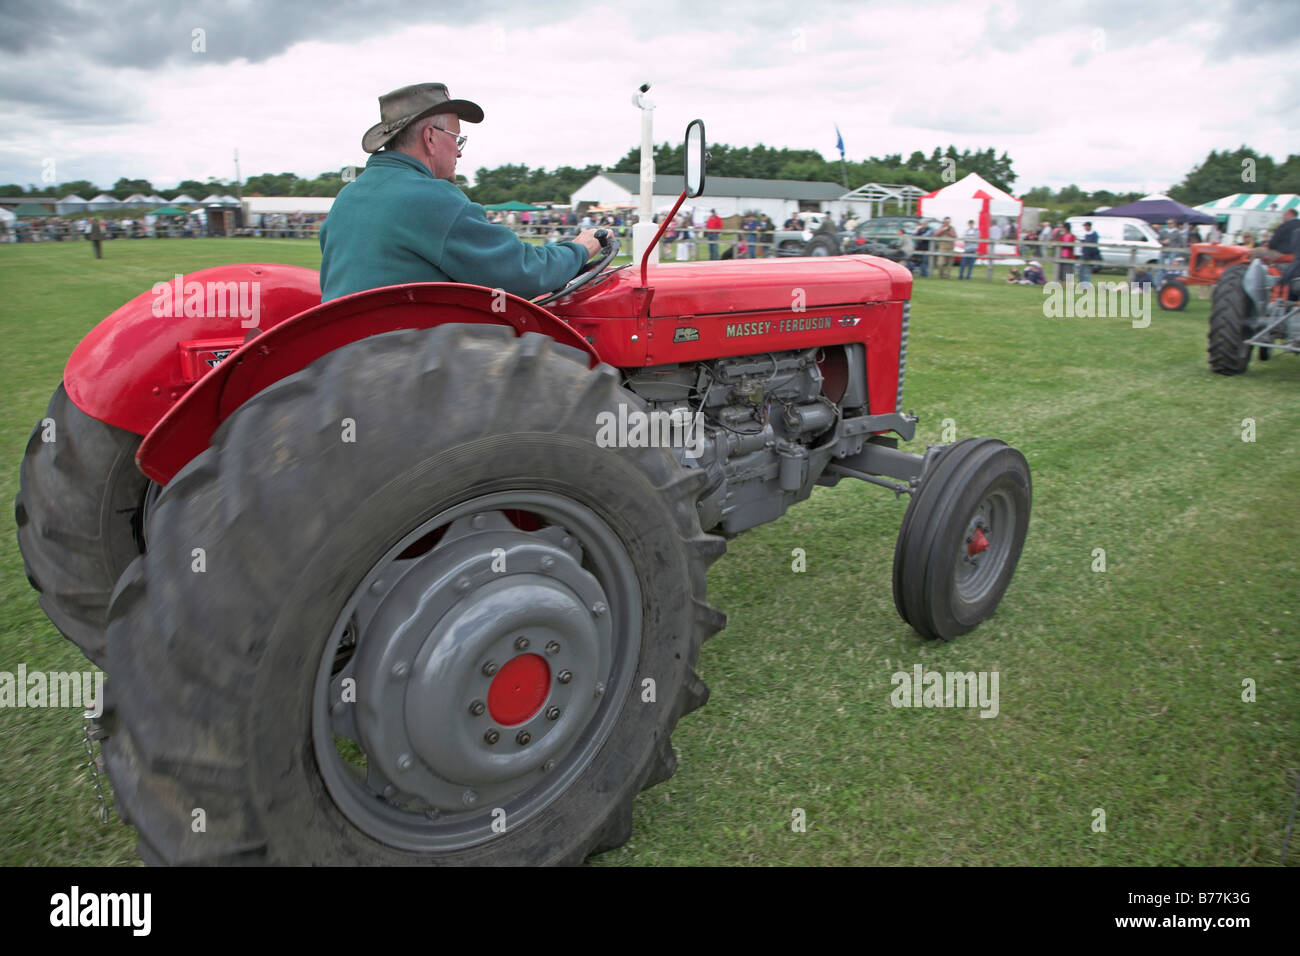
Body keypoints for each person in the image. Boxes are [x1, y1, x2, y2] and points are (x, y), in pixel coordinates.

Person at [319, 84, 606, 303]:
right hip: (411, 355)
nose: (458, 151)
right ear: (430, 138)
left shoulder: (348, 197)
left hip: (349, 355)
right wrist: (579, 250)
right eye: (457, 138)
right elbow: (522, 272)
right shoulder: (430, 198)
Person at [1078, 220, 1101, 285]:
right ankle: (1082, 284)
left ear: (1088, 226)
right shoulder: (1087, 234)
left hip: (1089, 255)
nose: (1084, 228)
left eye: (1085, 226)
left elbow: (1091, 244)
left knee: (1086, 270)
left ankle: (1086, 285)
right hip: (1085, 254)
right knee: (1082, 270)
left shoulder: (1093, 234)